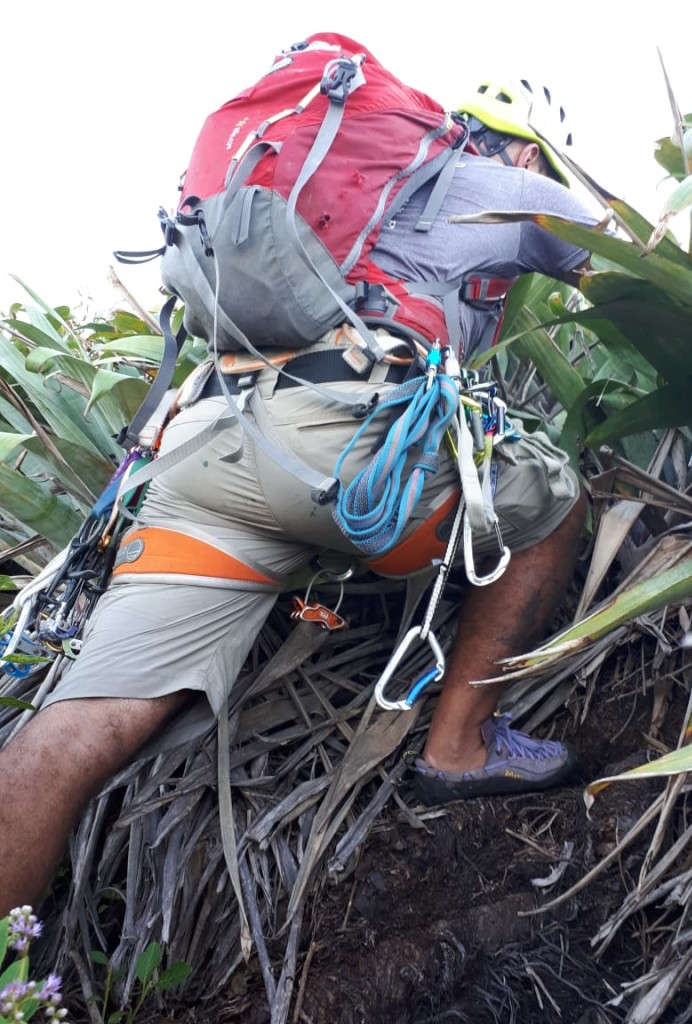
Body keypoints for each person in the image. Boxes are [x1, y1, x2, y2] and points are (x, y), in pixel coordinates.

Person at [0, 69, 597, 914]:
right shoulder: (517, 189)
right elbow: (642, 277)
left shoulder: (345, 183)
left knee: (73, 733)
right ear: (529, 150)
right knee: (555, 501)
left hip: (204, 451)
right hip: (344, 450)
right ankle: (459, 747)